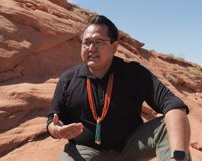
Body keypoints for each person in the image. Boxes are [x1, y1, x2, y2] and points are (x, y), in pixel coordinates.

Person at [46, 14, 192, 161]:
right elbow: (53, 120)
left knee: (169, 124)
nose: (91, 48)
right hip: (86, 150)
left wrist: (178, 156)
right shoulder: (68, 79)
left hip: (131, 147)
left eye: (99, 42)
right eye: (86, 42)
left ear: (114, 47)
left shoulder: (134, 73)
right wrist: (57, 130)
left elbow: (172, 105)